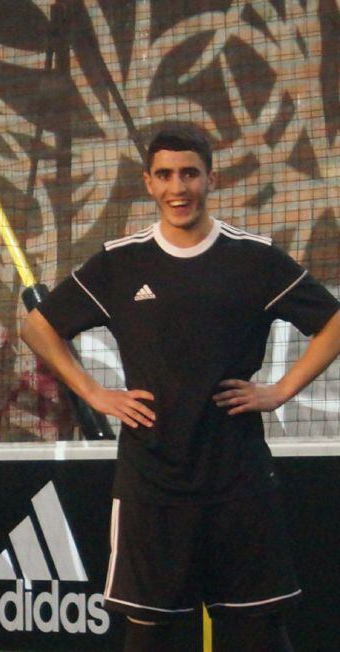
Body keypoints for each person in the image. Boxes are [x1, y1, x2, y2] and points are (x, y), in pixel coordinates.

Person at [22, 124, 340, 651]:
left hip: (238, 478)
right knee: (152, 636)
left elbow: (332, 322)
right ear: (148, 182)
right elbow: (38, 325)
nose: (178, 187)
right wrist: (95, 393)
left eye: (189, 173)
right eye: (165, 174)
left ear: (210, 178)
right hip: (153, 483)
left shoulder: (253, 258)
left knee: (258, 631)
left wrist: (279, 391)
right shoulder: (121, 262)